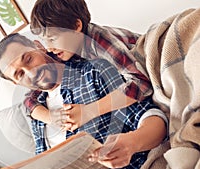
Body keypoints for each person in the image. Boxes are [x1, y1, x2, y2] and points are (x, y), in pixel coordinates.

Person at [0, 33, 167, 169]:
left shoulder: (92, 73)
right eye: (20, 74)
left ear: (39, 47)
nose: (31, 72)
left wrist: (132, 142)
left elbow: (153, 118)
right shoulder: (37, 113)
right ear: (16, 83)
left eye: (28, 59)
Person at [25, 0, 152, 131]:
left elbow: (141, 84)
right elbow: (29, 99)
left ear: (76, 26)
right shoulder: (64, 51)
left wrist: (89, 111)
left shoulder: (100, 42)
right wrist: (51, 117)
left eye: (52, 39)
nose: (49, 47)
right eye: (44, 40)